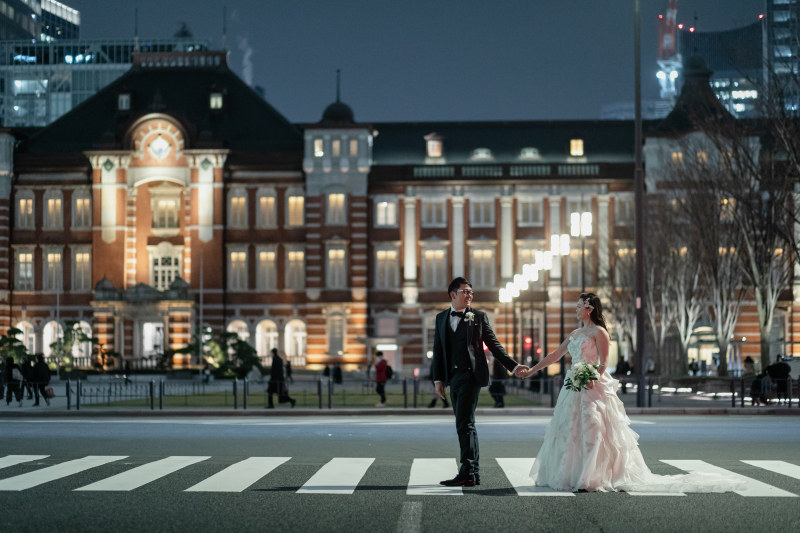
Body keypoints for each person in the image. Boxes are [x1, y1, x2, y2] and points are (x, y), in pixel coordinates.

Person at [519, 293, 746, 493]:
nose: (576, 310)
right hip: (573, 387)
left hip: (592, 385)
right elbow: (555, 355)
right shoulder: (575, 333)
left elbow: (604, 362)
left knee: (595, 427)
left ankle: (594, 475)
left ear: (589, 308)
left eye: (579, 306)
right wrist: (532, 370)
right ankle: (570, 474)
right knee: (569, 428)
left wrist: (591, 378)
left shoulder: (599, 332)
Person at [432, 277, 526, 487]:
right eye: (465, 291)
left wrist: (513, 366)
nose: (469, 295)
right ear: (453, 294)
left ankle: (469, 471)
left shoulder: (478, 317)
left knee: (465, 423)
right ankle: (471, 472)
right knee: (464, 423)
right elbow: (438, 350)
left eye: (471, 293)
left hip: (470, 376)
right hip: (452, 376)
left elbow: (494, 345)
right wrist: (438, 379)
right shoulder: (440, 318)